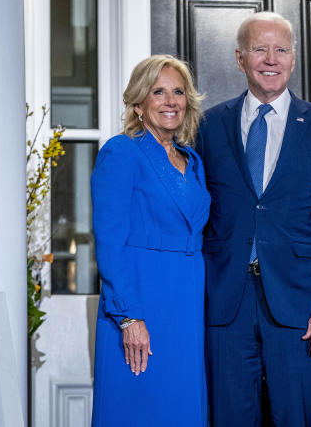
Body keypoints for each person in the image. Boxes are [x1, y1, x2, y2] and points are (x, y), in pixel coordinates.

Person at [197, 11, 311, 427]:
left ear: (293, 58)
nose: (271, 58)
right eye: (259, 48)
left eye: (281, 49)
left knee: (296, 417)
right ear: (239, 58)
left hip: (301, 304)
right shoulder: (209, 125)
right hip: (225, 301)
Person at [90, 54, 210, 426]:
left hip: (186, 301)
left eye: (177, 91)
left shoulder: (192, 160)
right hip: (142, 301)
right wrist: (128, 316)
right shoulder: (121, 151)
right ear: (139, 104)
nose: (170, 101)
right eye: (158, 92)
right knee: (138, 406)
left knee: (182, 406)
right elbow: (110, 241)